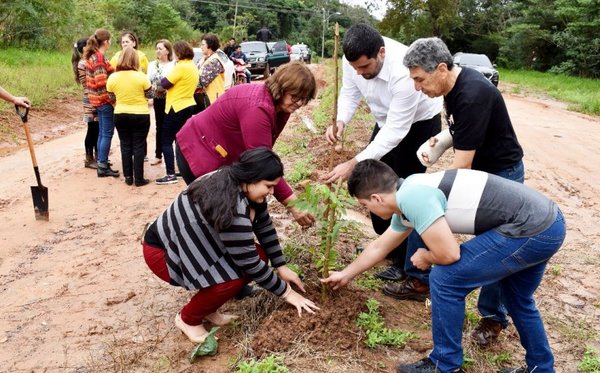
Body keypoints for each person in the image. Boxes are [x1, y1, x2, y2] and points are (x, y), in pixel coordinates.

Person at [323, 160, 565, 373]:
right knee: (516, 298)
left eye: (366, 205)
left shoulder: (413, 198)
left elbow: (449, 254)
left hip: (531, 228)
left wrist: (427, 257)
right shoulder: (410, 190)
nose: (368, 210)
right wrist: (345, 274)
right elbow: (379, 247)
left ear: (376, 198)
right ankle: (541, 368)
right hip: (549, 223)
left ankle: (444, 364)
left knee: (444, 278)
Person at [401, 37, 526, 347]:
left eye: (420, 79)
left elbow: (461, 168)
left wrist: (426, 195)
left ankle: (493, 318)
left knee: (496, 246)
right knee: (427, 206)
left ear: (441, 68)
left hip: (501, 174)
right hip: (481, 168)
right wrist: (443, 139)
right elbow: (462, 129)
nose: (418, 87)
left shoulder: (472, 94)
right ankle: (418, 280)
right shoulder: (452, 87)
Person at [143, 148, 319, 344]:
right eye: (268, 186)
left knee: (259, 256)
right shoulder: (231, 205)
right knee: (230, 278)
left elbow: (264, 226)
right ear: (252, 178)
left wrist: (281, 266)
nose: (272, 192)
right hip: (164, 252)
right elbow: (249, 263)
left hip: (191, 244)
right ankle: (188, 319)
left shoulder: (238, 183)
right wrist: (288, 294)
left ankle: (208, 308)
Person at [324, 23, 443, 285]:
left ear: (380, 53)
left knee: (406, 197)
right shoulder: (353, 59)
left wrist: (355, 161)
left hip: (416, 126)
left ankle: (411, 270)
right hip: (385, 122)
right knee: (374, 190)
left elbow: (397, 131)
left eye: (364, 68)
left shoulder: (403, 72)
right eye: (355, 68)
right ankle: (392, 251)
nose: (359, 72)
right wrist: (341, 120)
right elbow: (350, 92)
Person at [175, 61, 317, 228]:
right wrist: (293, 205)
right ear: (281, 88)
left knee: (253, 202)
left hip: (222, 153)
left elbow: (263, 157)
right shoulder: (258, 108)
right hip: (198, 150)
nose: (299, 103)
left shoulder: (281, 107)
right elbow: (262, 164)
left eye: (304, 99)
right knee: (222, 214)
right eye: (295, 97)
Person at [106, 47, 153, 187]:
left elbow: (111, 97)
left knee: (125, 145)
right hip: (140, 114)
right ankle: (139, 178)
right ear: (136, 60)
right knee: (139, 146)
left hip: (120, 114)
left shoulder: (113, 77)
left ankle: (128, 177)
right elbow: (150, 95)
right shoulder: (141, 77)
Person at [155, 41, 199, 185]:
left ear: (179, 53)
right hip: (188, 104)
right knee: (181, 139)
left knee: (166, 140)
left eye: (174, 52)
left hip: (176, 106)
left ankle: (170, 174)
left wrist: (159, 82)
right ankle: (184, 168)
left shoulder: (180, 67)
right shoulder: (192, 65)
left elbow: (165, 83)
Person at [84, 28, 119, 178]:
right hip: (103, 101)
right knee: (107, 133)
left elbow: (111, 71)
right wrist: (112, 101)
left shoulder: (95, 56)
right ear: (106, 42)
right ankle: (103, 166)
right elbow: (101, 83)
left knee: (102, 133)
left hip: (97, 101)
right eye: (110, 40)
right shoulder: (98, 58)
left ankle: (101, 162)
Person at [72, 37, 99, 169]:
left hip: (92, 97)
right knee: (92, 129)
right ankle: (89, 158)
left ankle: (98, 156)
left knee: (97, 128)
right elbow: (88, 83)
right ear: (84, 48)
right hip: (90, 99)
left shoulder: (86, 61)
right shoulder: (83, 63)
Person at [147, 39, 175, 166]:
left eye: (160, 48)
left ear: (167, 51)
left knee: (171, 126)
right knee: (159, 126)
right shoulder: (152, 64)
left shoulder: (174, 64)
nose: (158, 51)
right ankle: (158, 154)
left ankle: (172, 154)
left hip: (171, 98)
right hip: (158, 99)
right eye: (156, 48)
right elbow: (148, 81)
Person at [196, 33, 226, 106]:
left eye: (203, 45)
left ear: (210, 46)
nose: (201, 47)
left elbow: (201, 82)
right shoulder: (204, 59)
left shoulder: (214, 61)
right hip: (207, 98)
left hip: (214, 100)